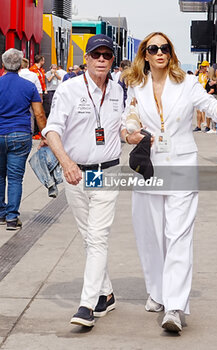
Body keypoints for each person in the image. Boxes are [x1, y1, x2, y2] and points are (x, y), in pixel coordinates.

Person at [122, 32, 217, 333]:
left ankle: (174, 306)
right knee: (149, 234)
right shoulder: (137, 85)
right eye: (153, 48)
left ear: (171, 53)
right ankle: (157, 292)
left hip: (182, 165)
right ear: (145, 54)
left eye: (165, 48)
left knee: (178, 236)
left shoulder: (188, 85)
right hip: (149, 167)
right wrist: (130, 133)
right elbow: (128, 119)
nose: (159, 53)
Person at [41, 34, 124, 328]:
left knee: (98, 236)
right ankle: (107, 293)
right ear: (86, 59)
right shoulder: (69, 90)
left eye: (107, 55)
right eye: (96, 55)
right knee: (89, 237)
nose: (101, 60)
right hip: (76, 173)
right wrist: (66, 163)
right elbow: (52, 130)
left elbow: (122, 127)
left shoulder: (118, 91)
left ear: (113, 60)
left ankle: (87, 305)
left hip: (107, 172)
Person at [0, 49, 46, 230]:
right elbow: (39, 114)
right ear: (20, 66)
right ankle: (12, 218)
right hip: (19, 135)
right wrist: (45, 135)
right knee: (15, 178)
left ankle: (1, 214)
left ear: (3, 65)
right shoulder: (29, 86)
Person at [19, 58, 42, 133]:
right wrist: (40, 100)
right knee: (31, 116)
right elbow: (39, 89)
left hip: (19, 98)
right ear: (28, 65)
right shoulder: (33, 75)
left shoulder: (18, 74)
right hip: (31, 98)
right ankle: (30, 133)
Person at [193, 60, 209, 132]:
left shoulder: (207, 75)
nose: (202, 68)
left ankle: (207, 125)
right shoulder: (199, 74)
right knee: (198, 111)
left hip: (206, 93)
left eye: (204, 66)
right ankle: (198, 126)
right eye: (202, 66)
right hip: (199, 93)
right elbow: (193, 80)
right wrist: (196, 73)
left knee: (206, 110)